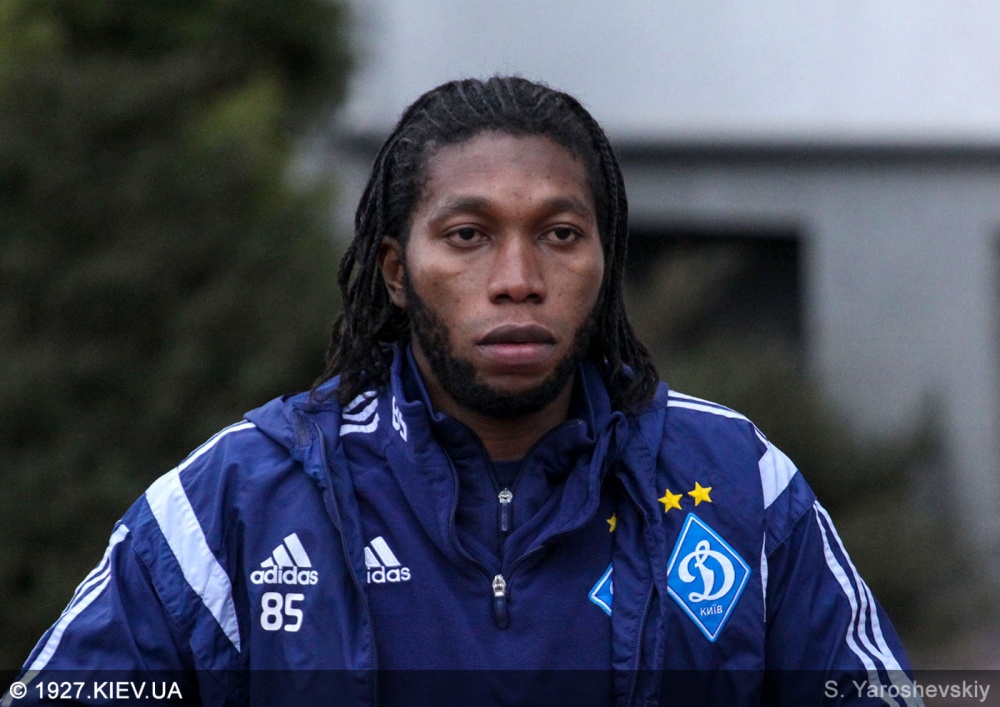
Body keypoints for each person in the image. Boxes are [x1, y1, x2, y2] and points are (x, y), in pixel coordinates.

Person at [4, 76, 918, 706]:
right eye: (468, 235)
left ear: (604, 263)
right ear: (397, 271)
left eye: (559, 235)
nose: (518, 279)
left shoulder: (738, 485)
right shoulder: (239, 501)